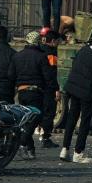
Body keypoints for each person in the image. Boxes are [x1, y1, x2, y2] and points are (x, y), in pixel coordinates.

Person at [60, 35, 92, 164]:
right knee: (84, 122)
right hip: (87, 92)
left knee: (72, 117)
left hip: (73, 87)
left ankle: (65, 149)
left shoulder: (84, 49)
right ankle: (78, 152)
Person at [8, 31, 54, 160]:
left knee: (26, 119)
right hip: (36, 92)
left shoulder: (17, 56)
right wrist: (52, 90)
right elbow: (48, 77)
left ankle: (30, 149)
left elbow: (11, 75)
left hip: (22, 92)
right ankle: (22, 142)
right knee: (35, 118)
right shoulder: (41, 57)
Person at [39, 28, 61, 148]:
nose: (58, 44)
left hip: (39, 85)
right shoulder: (51, 53)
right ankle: (46, 137)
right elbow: (51, 72)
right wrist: (56, 88)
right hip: (48, 88)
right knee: (49, 112)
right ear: (52, 41)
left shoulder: (40, 49)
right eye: (57, 41)